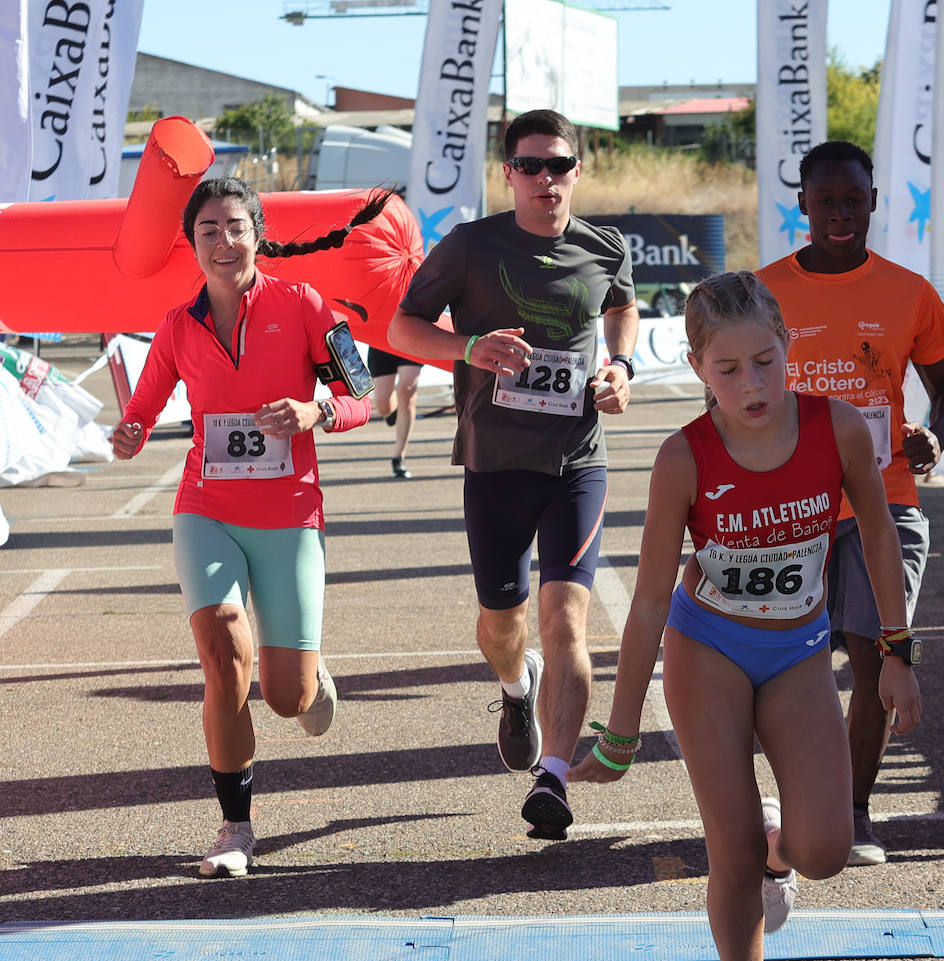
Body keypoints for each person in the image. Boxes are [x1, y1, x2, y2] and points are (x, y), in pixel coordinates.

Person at [568, 272, 921, 960]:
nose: (752, 384)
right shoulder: (683, 456)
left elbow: (880, 534)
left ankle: (778, 852)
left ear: (788, 346)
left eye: (765, 362)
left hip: (797, 651)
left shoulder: (839, 427)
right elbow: (646, 601)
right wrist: (621, 730)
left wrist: (898, 652)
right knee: (728, 851)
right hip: (710, 651)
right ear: (697, 366)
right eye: (728, 369)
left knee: (825, 849)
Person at [111, 178, 384, 877]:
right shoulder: (177, 324)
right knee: (222, 648)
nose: (223, 241)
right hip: (206, 507)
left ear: (257, 233)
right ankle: (235, 828)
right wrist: (131, 431)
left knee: (285, 697)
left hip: (290, 511)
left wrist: (314, 411)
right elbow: (142, 406)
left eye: (235, 226)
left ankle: (313, 680)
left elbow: (365, 395)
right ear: (192, 243)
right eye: (208, 229)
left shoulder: (302, 305)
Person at [387, 109, 639, 840]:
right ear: (508, 174)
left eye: (558, 165)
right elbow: (402, 328)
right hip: (495, 465)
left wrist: (619, 367)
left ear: (576, 172)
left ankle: (554, 778)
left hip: (574, 463)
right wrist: (469, 348)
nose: (545, 179)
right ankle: (513, 685)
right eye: (530, 166)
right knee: (505, 626)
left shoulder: (604, 246)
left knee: (567, 620)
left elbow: (621, 307)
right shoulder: (471, 247)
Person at [756, 140, 944, 867]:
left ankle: (852, 810)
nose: (841, 214)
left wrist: (933, 437)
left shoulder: (909, 291)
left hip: (886, 499)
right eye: (827, 201)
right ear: (803, 204)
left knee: (877, 658)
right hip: (789, 508)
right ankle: (797, 795)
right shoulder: (764, 291)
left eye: (855, 200)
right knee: (793, 667)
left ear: (873, 202)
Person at [366, 344, 422, 477]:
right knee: (383, 407)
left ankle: (399, 458)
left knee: (407, 392)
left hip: (409, 336)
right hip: (380, 341)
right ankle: (398, 412)